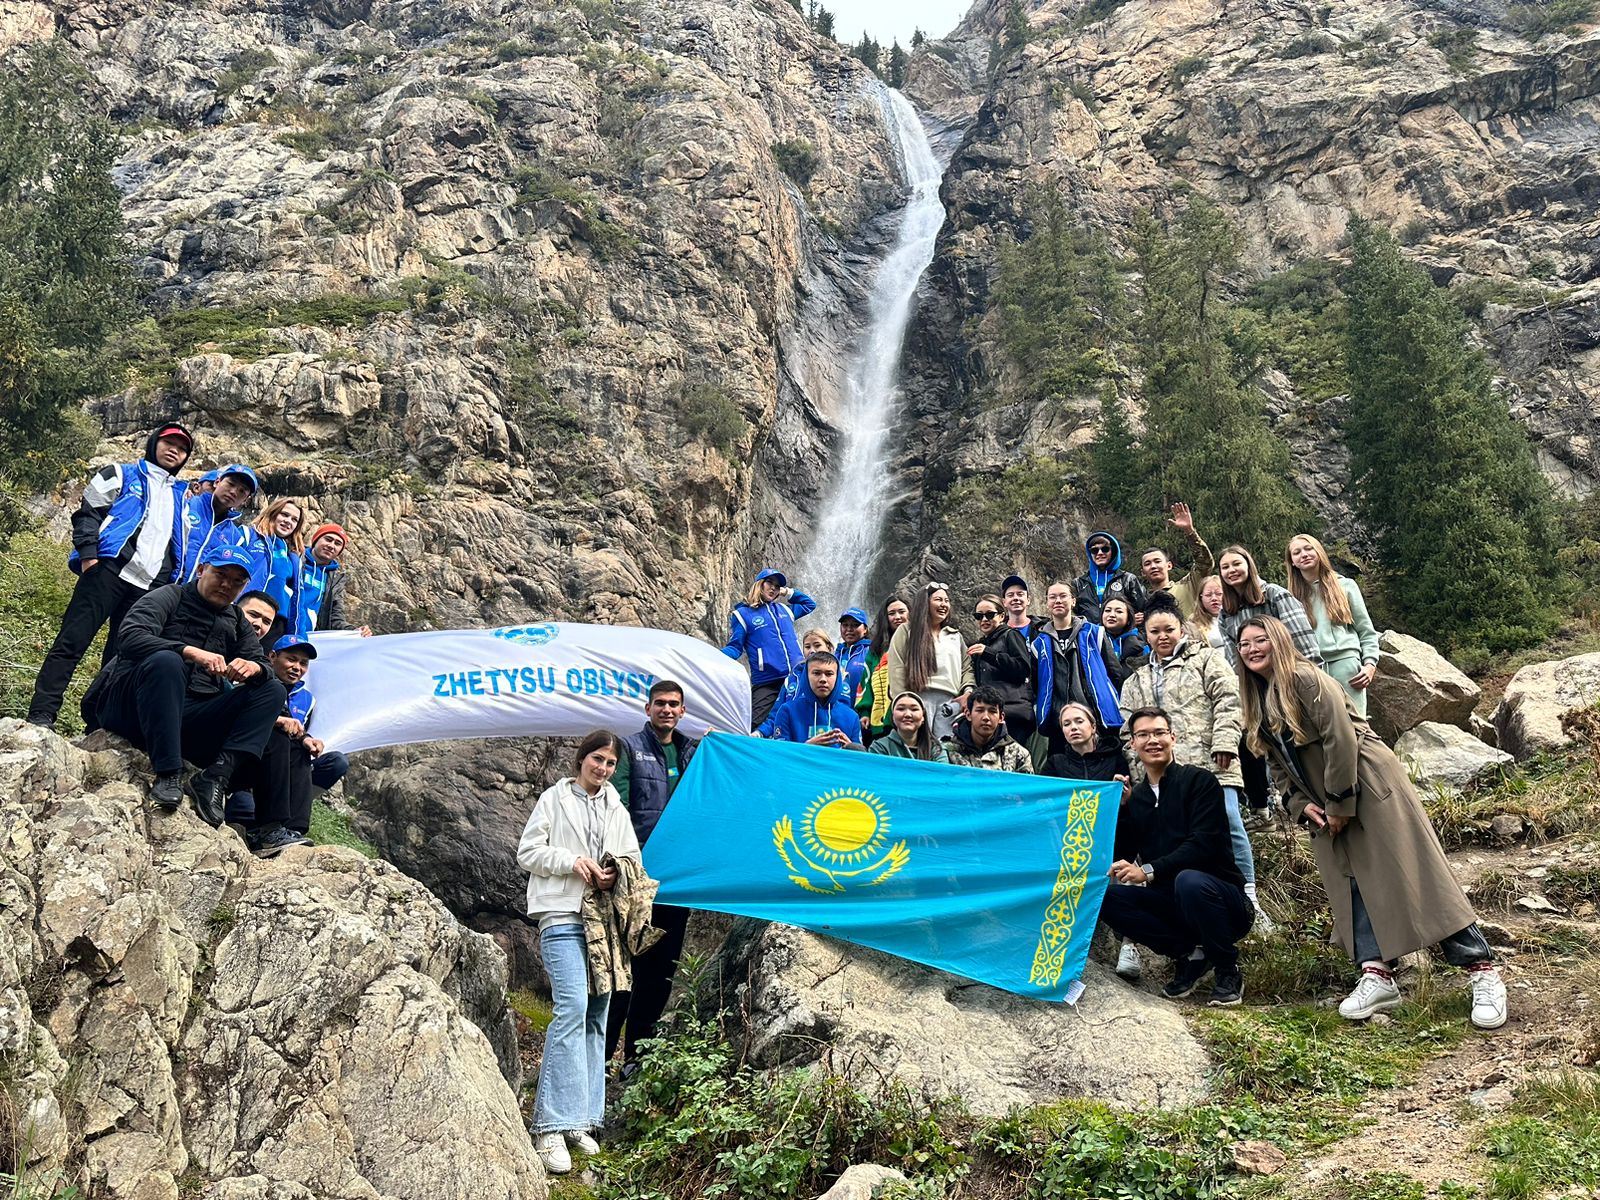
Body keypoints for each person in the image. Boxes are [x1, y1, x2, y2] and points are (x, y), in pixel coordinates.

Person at [1235, 617, 1508, 1030]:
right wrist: (1298, 805)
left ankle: (1482, 971)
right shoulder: (1256, 697)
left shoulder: (1307, 679)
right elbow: (1277, 765)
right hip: (1323, 802)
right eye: (1244, 644)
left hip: (1367, 782)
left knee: (1413, 874)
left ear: (1280, 642)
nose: (1252, 648)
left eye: (1260, 640)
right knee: (1351, 885)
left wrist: (1339, 804)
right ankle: (1377, 974)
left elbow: (1340, 738)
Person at [517, 731, 642, 1174]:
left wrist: (614, 872)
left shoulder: (615, 806)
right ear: (581, 758)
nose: (603, 768)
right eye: (597, 759)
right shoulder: (554, 799)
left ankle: (580, 1119)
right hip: (561, 913)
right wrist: (573, 862)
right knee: (571, 1006)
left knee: (598, 1010)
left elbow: (632, 857)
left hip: (602, 921)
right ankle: (548, 1126)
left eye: (610, 763)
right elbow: (528, 852)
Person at [92, 542, 286, 822]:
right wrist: (189, 651)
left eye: (236, 581)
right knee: (167, 661)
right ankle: (168, 774)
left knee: (272, 689)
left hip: (189, 716)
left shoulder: (235, 620)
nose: (226, 585)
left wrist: (253, 666)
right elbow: (130, 636)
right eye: (220, 575)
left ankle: (216, 777)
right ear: (201, 569)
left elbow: (265, 665)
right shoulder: (169, 595)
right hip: (132, 705)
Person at [27, 424, 196, 728]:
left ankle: (99, 724)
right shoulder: (120, 473)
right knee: (71, 642)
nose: (174, 450)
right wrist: (90, 557)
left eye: (182, 448)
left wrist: (167, 585)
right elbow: (88, 512)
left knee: (121, 660)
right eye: (169, 443)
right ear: (154, 442)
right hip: (108, 571)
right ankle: (42, 713)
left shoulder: (181, 498)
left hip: (146, 587)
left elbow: (178, 545)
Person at [1119, 594, 1266, 936]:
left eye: (1168, 629)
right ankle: (1180, 905)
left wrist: (1226, 743)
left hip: (1210, 761)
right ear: (1146, 635)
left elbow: (1231, 701)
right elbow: (1128, 731)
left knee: (1229, 823)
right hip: (1160, 775)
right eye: (1154, 632)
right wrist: (1139, 770)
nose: (1162, 637)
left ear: (1181, 628)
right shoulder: (1135, 680)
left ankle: (1248, 897)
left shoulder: (1207, 660)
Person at [1098, 707, 1253, 1007]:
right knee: (1108, 899)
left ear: (1173, 737)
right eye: (1143, 734)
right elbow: (1122, 856)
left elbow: (1202, 845)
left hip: (1224, 902)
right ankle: (1192, 955)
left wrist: (1149, 870)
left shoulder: (1200, 781)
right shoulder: (1138, 797)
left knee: (1189, 881)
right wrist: (1121, 811)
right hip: (1173, 905)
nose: (1152, 740)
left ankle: (1227, 968)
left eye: (1159, 733)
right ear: (1132, 743)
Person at [606, 681, 699, 1077]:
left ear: (682, 711)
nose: (666, 709)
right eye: (659, 703)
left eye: (673, 704)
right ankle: (602, 1054)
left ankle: (636, 1057)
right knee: (622, 968)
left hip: (678, 879)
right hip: (637, 877)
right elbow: (616, 807)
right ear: (647, 709)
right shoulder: (628, 748)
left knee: (660, 971)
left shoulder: (695, 750)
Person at [1286, 534, 1381, 717]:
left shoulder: (1345, 586)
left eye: (1308, 548)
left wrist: (1370, 664)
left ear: (1319, 551)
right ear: (1292, 562)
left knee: (1355, 724)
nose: (1303, 554)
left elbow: (1366, 631)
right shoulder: (1291, 598)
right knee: (1323, 728)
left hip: (1347, 666)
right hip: (1312, 670)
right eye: (1296, 552)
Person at [1029, 581, 1126, 758]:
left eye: (1063, 596)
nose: (1058, 600)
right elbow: (1036, 684)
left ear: (1073, 601)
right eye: (1053, 597)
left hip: (1097, 716)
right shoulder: (1039, 645)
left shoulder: (1095, 634)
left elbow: (1115, 673)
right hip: (1059, 723)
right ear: (1047, 603)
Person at [722, 568, 816, 729]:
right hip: (767, 681)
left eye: (777, 586)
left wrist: (786, 592)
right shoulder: (742, 614)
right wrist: (712, 655)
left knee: (799, 723)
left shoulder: (785, 610)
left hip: (796, 677)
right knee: (754, 724)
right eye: (769, 583)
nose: (773, 588)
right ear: (759, 584)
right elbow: (735, 648)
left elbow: (810, 604)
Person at [887, 583, 973, 741]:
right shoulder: (906, 631)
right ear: (924, 603)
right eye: (938, 599)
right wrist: (904, 704)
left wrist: (968, 694)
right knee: (918, 749)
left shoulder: (955, 636)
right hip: (917, 700)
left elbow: (967, 668)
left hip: (950, 703)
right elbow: (897, 669)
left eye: (946, 601)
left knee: (946, 749)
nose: (944, 604)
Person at [1215, 545, 1321, 667]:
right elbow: (1233, 660)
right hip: (1255, 682)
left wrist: (1311, 675)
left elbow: (1304, 643)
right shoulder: (1225, 613)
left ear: (1249, 566)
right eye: (1225, 567)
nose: (1231, 570)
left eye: (1237, 564)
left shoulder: (1276, 596)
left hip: (1290, 673)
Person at [968, 593, 1036, 743]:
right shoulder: (982, 645)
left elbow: (1022, 669)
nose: (984, 620)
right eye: (979, 616)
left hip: (1014, 713)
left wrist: (989, 654)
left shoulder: (1011, 635)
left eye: (990, 615)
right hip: (992, 714)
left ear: (1001, 616)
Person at [175, 464, 260, 582]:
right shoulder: (187, 505)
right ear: (217, 482)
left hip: (195, 595)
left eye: (242, 491)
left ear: (245, 500)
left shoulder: (236, 538)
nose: (234, 492)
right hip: (161, 582)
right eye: (231, 484)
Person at [761, 652, 863, 748]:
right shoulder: (787, 711)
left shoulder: (852, 717)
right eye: (816, 673)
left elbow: (859, 762)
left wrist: (852, 749)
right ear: (806, 676)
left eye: (829, 674)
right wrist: (807, 747)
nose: (823, 679)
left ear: (837, 678)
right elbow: (780, 755)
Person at [756, 630, 849, 735]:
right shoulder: (792, 679)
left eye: (817, 645)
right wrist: (760, 733)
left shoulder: (840, 676)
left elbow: (843, 716)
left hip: (823, 737)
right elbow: (775, 714)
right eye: (807, 647)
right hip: (789, 737)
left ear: (830, 648)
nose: (812, 651)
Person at [292, 522, 371, 637]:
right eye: (328, 539)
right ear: (315, 540)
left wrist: (354, 631)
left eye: (337, 543)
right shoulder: (294, 559)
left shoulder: (335, 581)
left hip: (307, 639)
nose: (331, 545)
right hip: (280, 629)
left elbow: (334, 617)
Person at [243, 497, 307, 636]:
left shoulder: (294, 557)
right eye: (284, 514)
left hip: (275, 623)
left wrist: (299, 638)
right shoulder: (249, 535)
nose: (288, 521)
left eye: (294, 519)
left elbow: (298, 602)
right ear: (273, 513)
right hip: (244, 611)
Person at [1139, 503, 1214, 616]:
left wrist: (1190, 532)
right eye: (1148, 564)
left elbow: (1204, 563)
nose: (1153, 566)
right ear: (1143, 572)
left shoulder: (1187, 586)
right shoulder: (1142, 601)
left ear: (1169, 565)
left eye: (1157, 561)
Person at [854, 595, 910, 744]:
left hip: (910, 719)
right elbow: (865, 682)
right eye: (891, 614)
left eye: (901, 612)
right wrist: (864, 712)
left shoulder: (918, 644)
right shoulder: (875, 650)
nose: (897, 617)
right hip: (879, 720)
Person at [943, 686, 1033, 772]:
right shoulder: (945, 750)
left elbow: (1028, 787)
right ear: (968, 714)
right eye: (980, 710)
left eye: (992, 711)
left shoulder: (1019, 755)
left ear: (1001, 718)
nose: (986, 717)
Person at [1072, 532, 1148, 627]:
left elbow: (1143, 611)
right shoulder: (1078, 583)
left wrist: (1130, 621)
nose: (1100, 553)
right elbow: (1071, 613)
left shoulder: (1128, 579)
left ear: (1114, 551)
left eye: (1105, 549)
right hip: (1089, 637)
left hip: (1121, 637)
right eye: (1094, 550)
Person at [1044, 702, 1129, 783]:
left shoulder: (1115, 760)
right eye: (1066, 724)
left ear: (1093, 727)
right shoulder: (1054, 764)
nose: (1073, 727)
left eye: (1079, 721)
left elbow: (1128, 795)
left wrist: (1119, 788)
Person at [867, 691, 949, 762]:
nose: (907, 714)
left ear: (923, 717)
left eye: (914, 709)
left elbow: (942, 777)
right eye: (901, 709)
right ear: (892, 717)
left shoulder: (936, 748)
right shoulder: (879, 747)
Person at [1099, 598, 1148, 672]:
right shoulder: (1092, 639)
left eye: (1119, 611)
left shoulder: (1140, 643)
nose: (1112, 615)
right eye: (1107, 611)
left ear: (1129, 619)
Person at [835, 607, 872, 700]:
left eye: (855, 625)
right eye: (845, 625)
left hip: (862, 710)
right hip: (837, 711)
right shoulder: (835, 654)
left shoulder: (872, 651)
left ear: (865, 629)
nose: (849, 629)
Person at [1189, 574, 1226, 650]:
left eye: (1219, 594)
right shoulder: (1193, 625)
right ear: (1201, 598)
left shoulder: (1237, 617)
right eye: (1208, 595)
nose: (1214, 598)